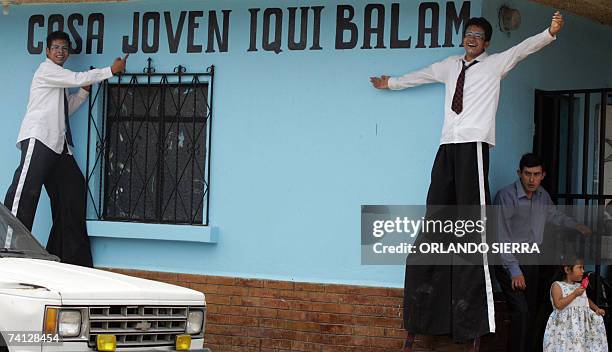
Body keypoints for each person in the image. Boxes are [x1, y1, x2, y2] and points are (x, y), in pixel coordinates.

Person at [370, 12, 565, 351]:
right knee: (439, 207)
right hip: (448, 142)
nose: (472, 38)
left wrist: (549, 33)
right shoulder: (449, 65)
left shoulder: (495, 65)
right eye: (469, 33)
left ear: (486, 42)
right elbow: (422, 76)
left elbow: (522, 49)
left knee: (471, 215)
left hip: (473, 143)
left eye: (479, 35)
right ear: (464, 38)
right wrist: (392, 83)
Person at [3, 31, 128, 267]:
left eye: (64, 48)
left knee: (73, 191)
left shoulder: (58, 81)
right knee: (25, 192)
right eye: (56, 47)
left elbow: (65, 109)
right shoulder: (47, 70)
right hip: (39, 138)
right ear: (47, 52)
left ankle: (69, 257)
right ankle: (8, 249)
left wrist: (83, 92)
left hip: (59, 147)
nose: (61, 52)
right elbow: (75, 77)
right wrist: (110, 71)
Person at [494, 153, 591, 352]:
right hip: (509, 260)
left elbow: (554, 216)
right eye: (527, 174)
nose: (531, 179)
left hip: (531, 259)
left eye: (536, 174)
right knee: (520, 312)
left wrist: (577, 226)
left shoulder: (542, 196)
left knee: (531, 312)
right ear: (519, 173)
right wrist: (514, 270)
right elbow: (501, 236)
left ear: (543, 175)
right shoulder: (506, 196)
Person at [543, 257, 608, 351]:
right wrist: (574, 294)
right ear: (567, 269)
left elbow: (585, 300)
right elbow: (558, 304)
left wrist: (596, 308)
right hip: (566, 328)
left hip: (581, 327)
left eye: (583, 268)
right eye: (580, 268)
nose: (583, 271)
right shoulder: (557, 285)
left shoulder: (579, 286)